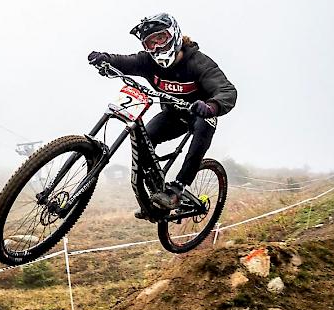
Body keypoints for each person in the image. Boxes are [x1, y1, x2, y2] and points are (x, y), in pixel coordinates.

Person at [87, 13, 237, 216]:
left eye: (161, 38)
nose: (157, 47)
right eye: (150, 43)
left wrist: (211, 106)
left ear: (174, 35)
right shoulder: (147, 62)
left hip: (200, 113)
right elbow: (123, 61)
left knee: (203, 125)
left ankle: (178, 188)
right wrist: (105, 59)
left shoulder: (198, 63)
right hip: (173, 115)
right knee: (143, 139)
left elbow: (227, 91)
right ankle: (155, 194)